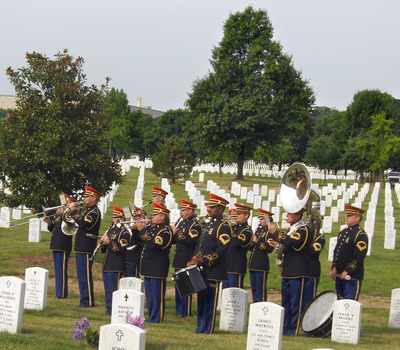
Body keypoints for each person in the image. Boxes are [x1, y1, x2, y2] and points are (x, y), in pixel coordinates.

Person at [187, 193, 232, 334]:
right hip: (202, 268)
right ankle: (200, 326)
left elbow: (222, 249)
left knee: (209, 301)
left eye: (212, 207)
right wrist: (194, 258)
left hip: (214, 269)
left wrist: (206, 259)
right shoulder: (208, 225)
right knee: (201, 298)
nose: (208, 209)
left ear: (220, 209)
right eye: (208, 206)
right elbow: (200, 245)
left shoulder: (223, 227)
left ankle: (208, 328)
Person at [269, 208, 313, 336]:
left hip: (298, 271)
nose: (287, 216)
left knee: (295, 302)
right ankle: (285, 327)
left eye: (290, 213)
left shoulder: (303, 229)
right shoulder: (291, 230)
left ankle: (294, 328)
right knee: (286, 302)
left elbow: (295, 243)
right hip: (288, 270)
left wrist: (277, 233)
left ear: (298, 215)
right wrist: (277, 245)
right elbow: (287, 246)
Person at [137, 202, 173, 323]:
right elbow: (141, 241)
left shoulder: (165, 231)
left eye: (155, 215)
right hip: (148, 265)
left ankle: (157, 317)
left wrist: (142, 231)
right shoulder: (152, 228)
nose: (152, 217)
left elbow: (154, 245)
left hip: (158, 266)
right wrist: (139, 230)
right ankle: (151, 315)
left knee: (157, 295)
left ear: (162, 216)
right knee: (149, 294)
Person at [329, 204, 368, 300]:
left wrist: (347, 271)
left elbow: (358, 257)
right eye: (347, 215)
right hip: (339, 274)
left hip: (351, 276)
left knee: (349, 304)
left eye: (350, 216)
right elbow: (337, 251)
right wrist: (334, 267)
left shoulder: (360, 235)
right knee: (339, 302)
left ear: (357, 218)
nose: (347, 218)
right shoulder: (343, 233)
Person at [172, 199, 201, 317]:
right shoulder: (182, 223)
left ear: (190, 210)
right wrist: (172, 233)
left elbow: (191, 240)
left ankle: (186, 310)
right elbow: (175, 240)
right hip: (179, 257)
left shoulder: (195, 225)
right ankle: (179, 309)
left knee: (186, 286)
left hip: (188, 258)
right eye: (181, 210)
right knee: (178, 285)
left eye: (184, 210)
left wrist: (177, 235)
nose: (181, 212)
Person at [74, 184, 101, 307]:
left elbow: (84, 225)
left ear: (94, 198)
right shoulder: (88, 211)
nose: (84, 199)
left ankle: (88, 300)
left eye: (87, 197)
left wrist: (74, 212)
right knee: (81, 274)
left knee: (85, 274)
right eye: (85, 197)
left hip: (86, 246)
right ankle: (83, 300)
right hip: (81, 246)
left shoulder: (94, 212)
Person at [101, 206, 131, 315]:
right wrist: (102, 243)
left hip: (116, 264)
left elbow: (121, 249)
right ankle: (108, 309)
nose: (113, 219)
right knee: (108, 289)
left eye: (115, 217)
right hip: (108, 263)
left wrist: (109, 242)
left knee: (113, 290)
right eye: (113, 217)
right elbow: (105, 249)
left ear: (120, 218)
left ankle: (113, 309)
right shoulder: (111, 229)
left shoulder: (124, 232)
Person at [45, 194, 75, 299]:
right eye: (62, 204)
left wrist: (62, 214)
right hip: (56, 244)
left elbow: (71, 225)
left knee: (61, 270)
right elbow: (52, 228)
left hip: (63, 245)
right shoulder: (59, 215)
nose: (62, 206)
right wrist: (49, 221)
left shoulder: (72, 215)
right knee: (57, 270)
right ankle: (59, 292)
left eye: (65, 204)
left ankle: (61, 293)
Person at [223, 202, 252, 289]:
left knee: (235, 294)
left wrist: (231, 228)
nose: (236, 216)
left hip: (236, 267)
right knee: (225, 294)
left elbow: (236, 242)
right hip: (227, 265)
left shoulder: (247, 231)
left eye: (239, 214)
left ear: (246, 216)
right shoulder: (234, 228)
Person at [248, 209, 275, 303]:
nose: (260, 221)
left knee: (260, 289)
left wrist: (257, 243)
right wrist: (253, 242)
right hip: (253, 263)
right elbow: (252, 245)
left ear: (268, 220)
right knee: (254, 289)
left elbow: (269, 248)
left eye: (262, 219)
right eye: (260, 219)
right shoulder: (259, 230)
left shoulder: (270, 232)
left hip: (261, 264)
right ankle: (256, 306)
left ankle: (261, 308)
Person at [125, 206, 145, 278]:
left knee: (134, 276)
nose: (137, 218)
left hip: (137, 254)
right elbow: (126, 210)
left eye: (139, 216)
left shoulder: (143, 225)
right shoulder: (131, 224)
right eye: (135, 216)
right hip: (128, 254)